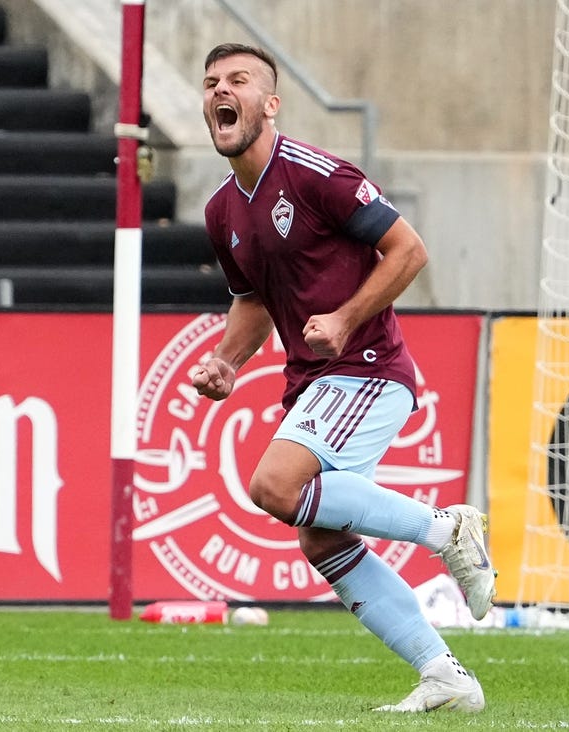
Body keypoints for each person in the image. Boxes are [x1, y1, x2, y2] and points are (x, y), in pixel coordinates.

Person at [192, 42, 497, 714]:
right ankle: (444, 676)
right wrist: (227, 362)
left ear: (270, 104)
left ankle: (445, 530)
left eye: (239, 80)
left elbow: (408, 249)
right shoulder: (222, 212)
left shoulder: (316, 175)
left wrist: (345, 315)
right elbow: (251, 298)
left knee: (274, 484)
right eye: (212, 82)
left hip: (368, 368)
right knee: (321, 535)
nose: (222, 90)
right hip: (317, 381)